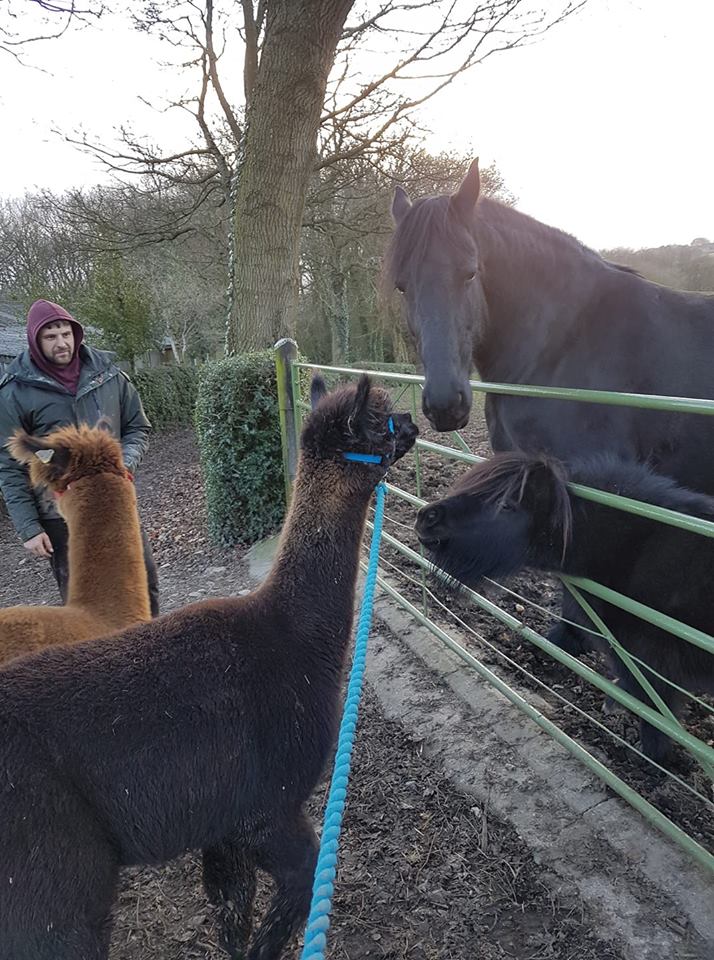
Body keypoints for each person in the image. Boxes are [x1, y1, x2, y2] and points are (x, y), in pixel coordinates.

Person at [0, 299, 159, 615]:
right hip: (61, 514)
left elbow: (137, 428)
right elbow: (9, 463)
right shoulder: (15, 392)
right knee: (86, 603)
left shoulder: (108, 375)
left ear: (76, 334)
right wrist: (29, 527)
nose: (61, 343)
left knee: (143, 586)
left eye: (65, 333)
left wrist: (120, 465)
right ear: (35, 340)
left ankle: (152, 653)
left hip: (116, 502)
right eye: (50, 336)